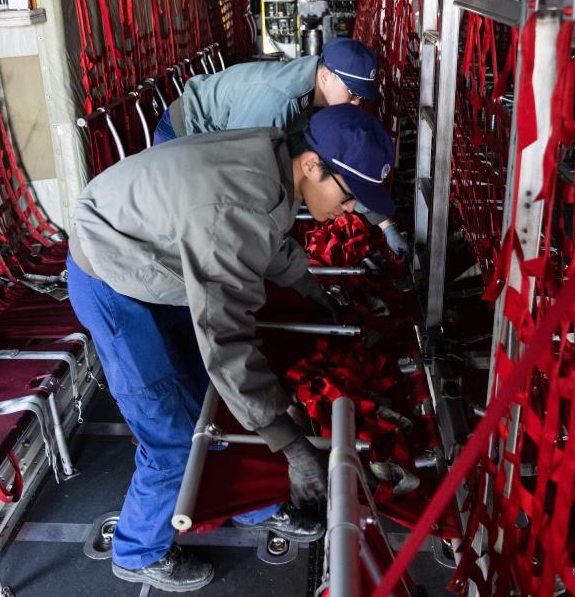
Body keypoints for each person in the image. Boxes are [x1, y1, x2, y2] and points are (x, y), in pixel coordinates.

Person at [66, 105, 396, 591]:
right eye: (349, 197)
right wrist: (291, 445)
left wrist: (313, 292)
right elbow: (226, 341)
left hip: (159, 262)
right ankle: (137, 551)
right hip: (112, 281)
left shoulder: (274, 160)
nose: (349, 211)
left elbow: (270, 240)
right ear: (312, 165)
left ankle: (249, 505)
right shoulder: (233, 206)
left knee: (217, 404)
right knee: (172, 432)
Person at [154, 38, 410, 259]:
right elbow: (236, 175)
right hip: (182, 136)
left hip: (217, 142)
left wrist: (385, 225)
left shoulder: (314, 96)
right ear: (325, 76)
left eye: (360, 97)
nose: (355, 104)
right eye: (352, 93)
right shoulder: (277, 101)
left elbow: (343, 170)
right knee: (175, 240)